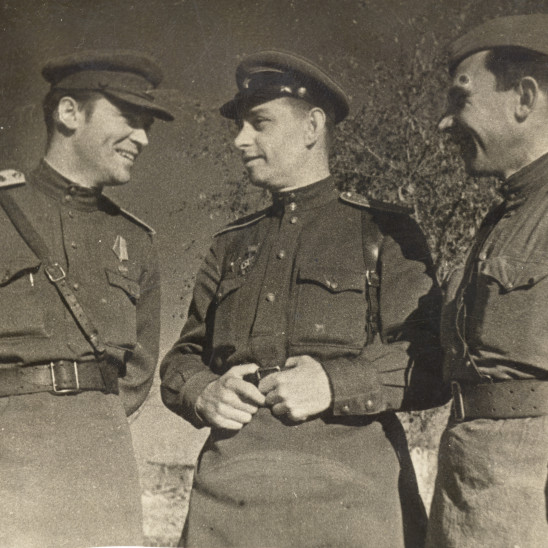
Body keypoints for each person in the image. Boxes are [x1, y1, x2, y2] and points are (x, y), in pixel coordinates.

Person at [161, 50, 446, 548]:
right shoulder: (230, 244)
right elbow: (183, 357)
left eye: (259, 123)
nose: (240, 140)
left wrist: (334, 383)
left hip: (351, 503)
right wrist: (201, 392)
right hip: (228, 501)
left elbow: (431, 359)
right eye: (240, 126)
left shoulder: (383, 230)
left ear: (312, 126)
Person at [0, 50, 173, 547]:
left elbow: (138, 370)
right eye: (129, 118)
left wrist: (92, 418)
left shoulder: (136, 240)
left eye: (147, 126)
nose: (143, 138)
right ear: (69, 112)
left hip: (103, 468)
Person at [426, 14, 548, 548]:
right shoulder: (504, 215)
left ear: (524, 98)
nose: (444, 123)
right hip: (471, 482)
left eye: (461, 99)